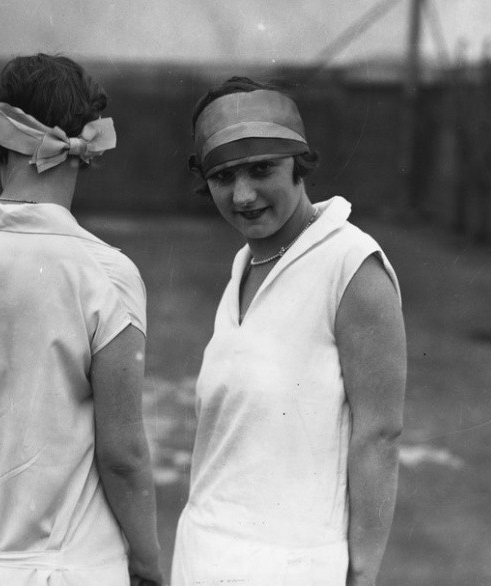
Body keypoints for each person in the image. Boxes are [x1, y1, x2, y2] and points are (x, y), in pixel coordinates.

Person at [0, 53, 164, 586]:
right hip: (64, 570)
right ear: (86, 147)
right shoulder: (106, 273)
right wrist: (148, 561)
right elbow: (124, 455)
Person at [171, 77, 407, 586]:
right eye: (223, 176)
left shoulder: (351, 265)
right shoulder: (244, 265)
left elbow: (379, 435)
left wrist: (361, 573)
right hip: (203, 555)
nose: (243, 195)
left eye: (261, 169)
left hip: (295, 566)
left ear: (298, 163)